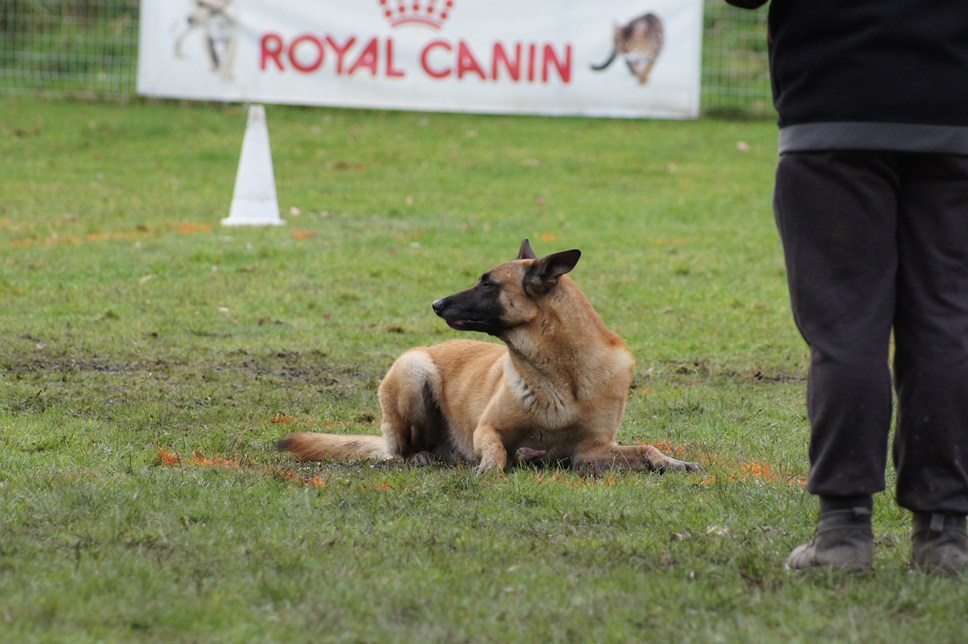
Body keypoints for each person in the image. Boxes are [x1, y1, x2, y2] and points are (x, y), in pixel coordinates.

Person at [724, 0, 968, 572]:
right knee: (948, 324)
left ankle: (843, 532)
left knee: (845, 330)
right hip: (955, 117)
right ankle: (944, 536)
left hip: (831, 111)